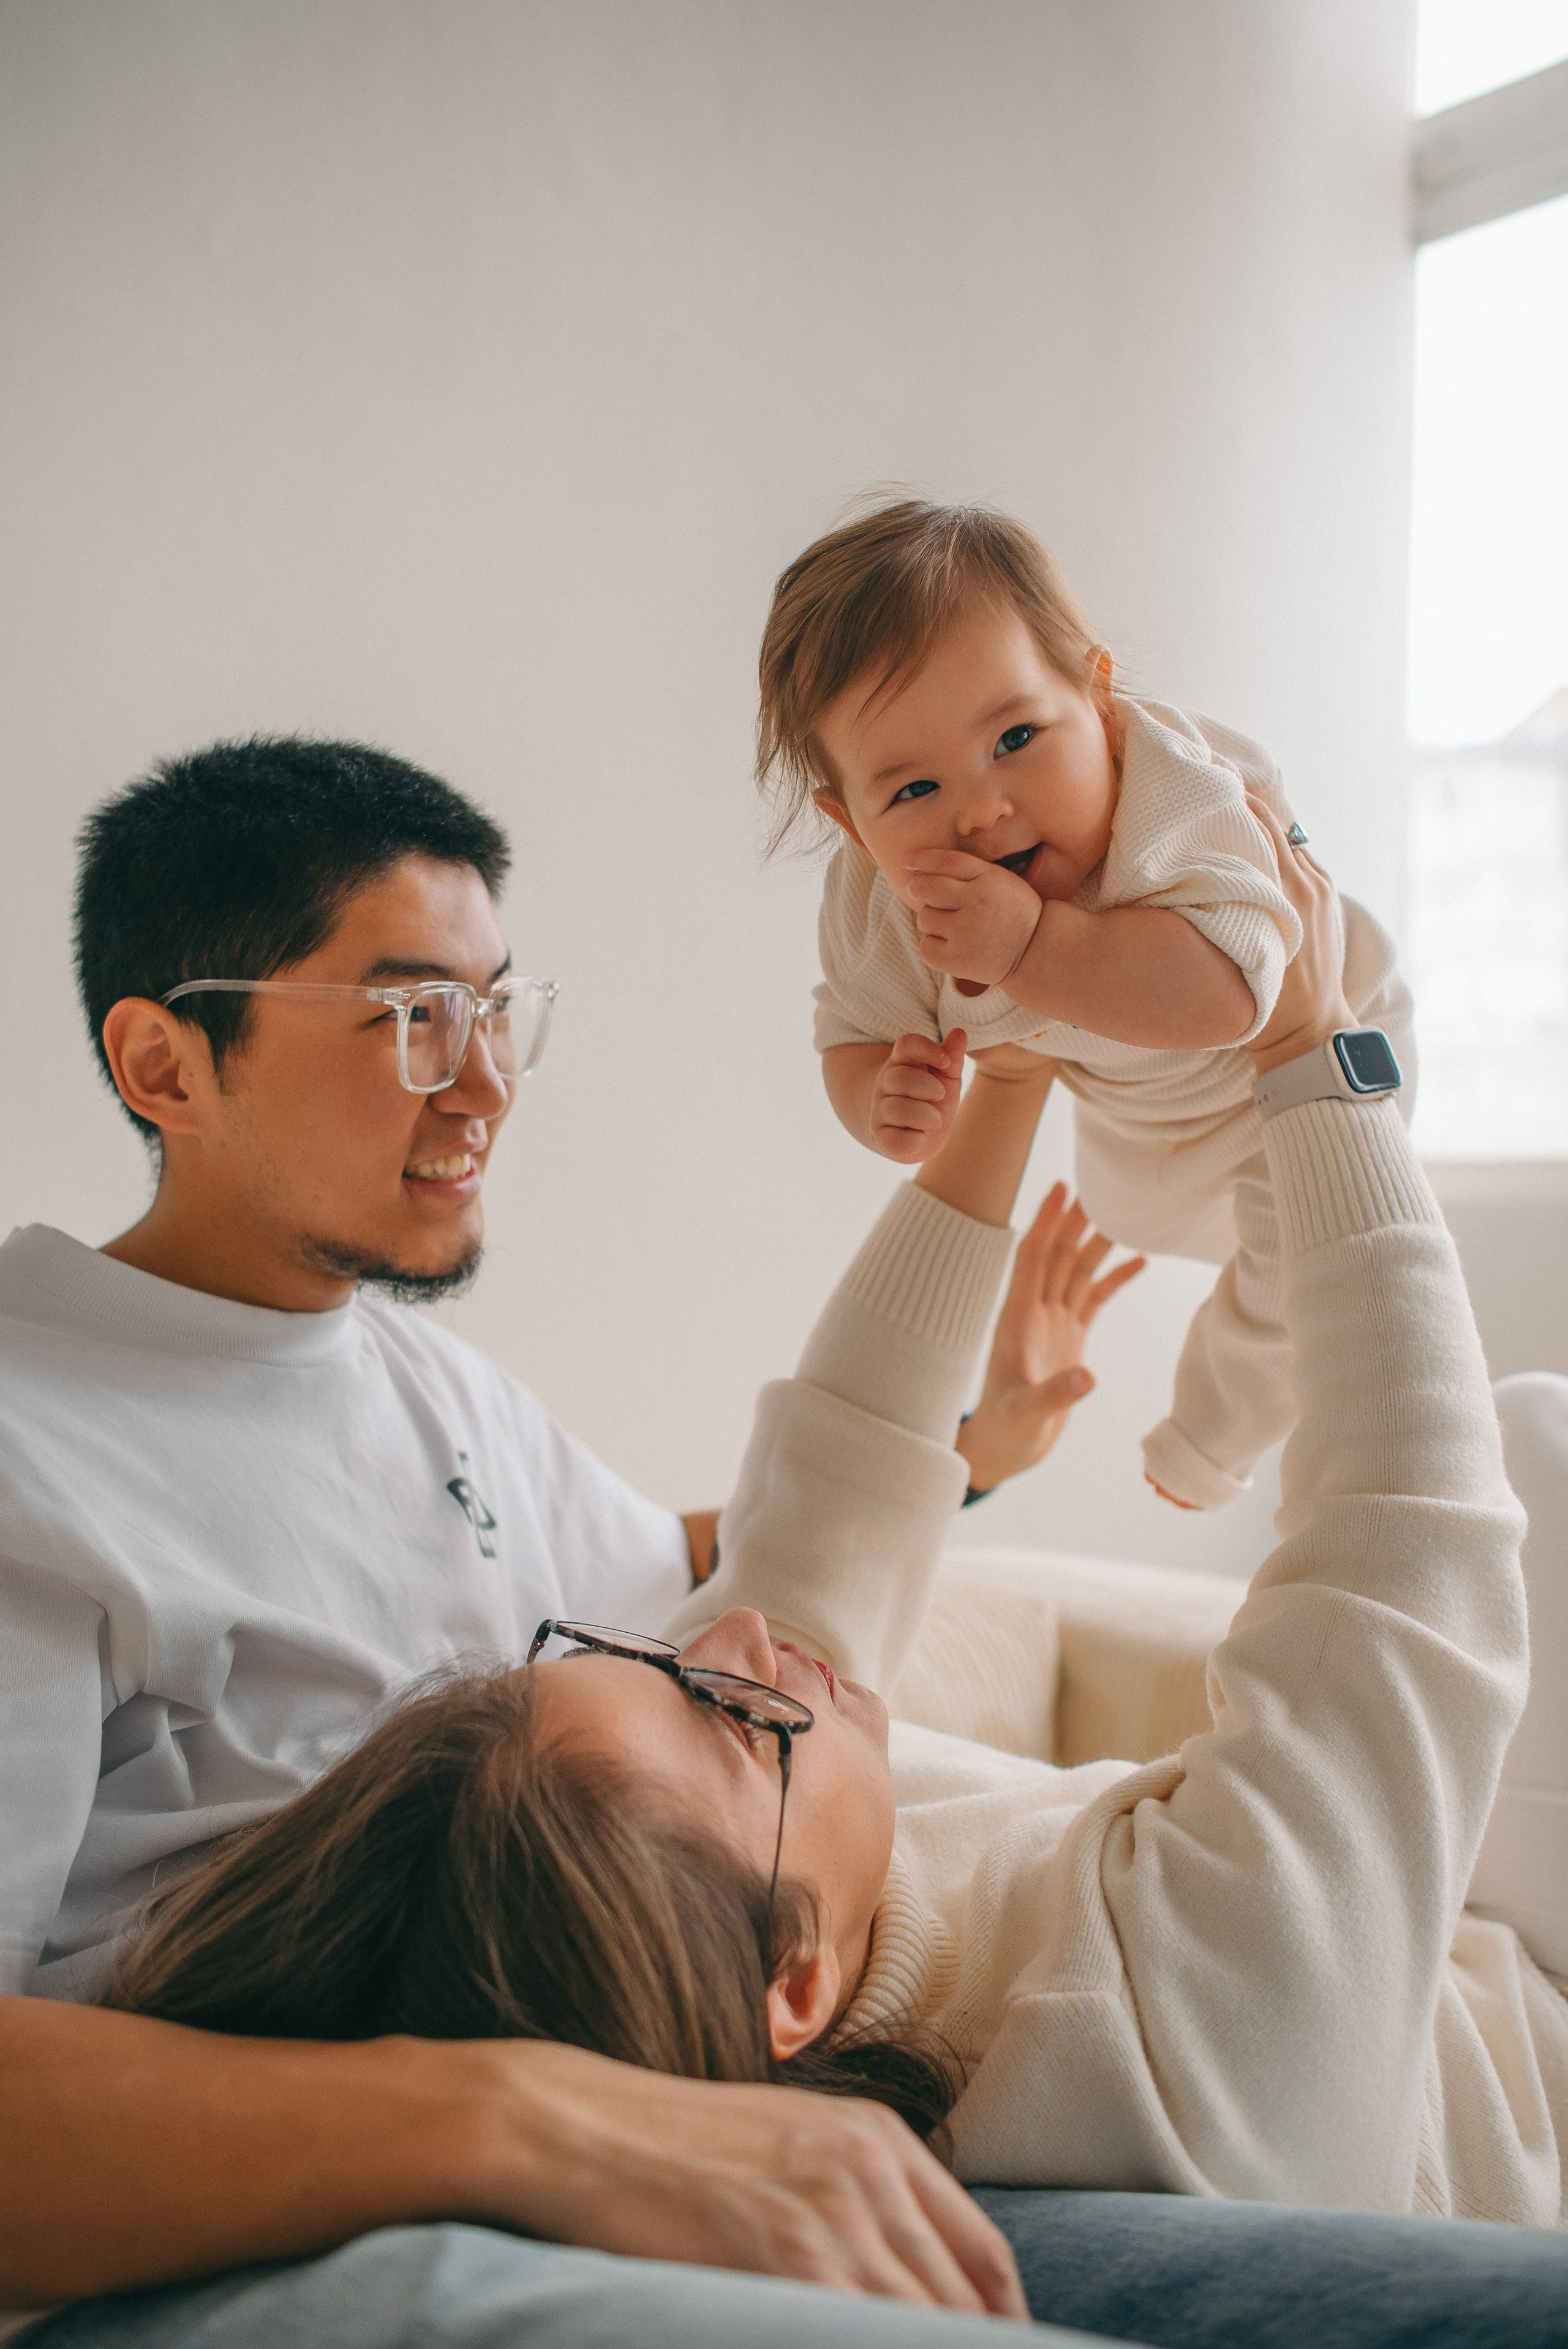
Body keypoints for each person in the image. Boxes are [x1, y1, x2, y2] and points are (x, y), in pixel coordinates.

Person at [96, 804, 1568, 2231]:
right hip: (1538, 2032)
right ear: (786, 1988)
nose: (733, 1634)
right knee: (1532, 1438)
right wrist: (1321, 1058)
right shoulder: (1188, 2038)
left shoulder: (773, 1868)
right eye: (736, 1719)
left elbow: (829, 1498)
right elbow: (1408, 1550)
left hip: (1460, 1931)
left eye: (636, 1658)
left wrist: (1005, 1068)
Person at [757, 499, 1414, 1512]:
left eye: (1016, 736)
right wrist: (882, 1100)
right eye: (913, 791)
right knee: (1128, 1211)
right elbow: (851, 1029)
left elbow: (1241, 990)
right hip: (1136, 1114)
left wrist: (1031, 945)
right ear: (850, 823)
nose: (979, 809)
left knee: (1302, 1272)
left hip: (1305, 1060)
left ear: (1100, 702)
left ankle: (1207, 1442)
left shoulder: (1181, 797)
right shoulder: (885, 905)